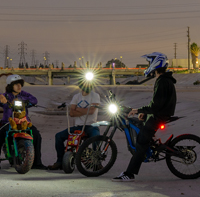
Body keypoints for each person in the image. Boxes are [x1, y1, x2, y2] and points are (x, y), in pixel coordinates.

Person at [113, 52, 176, 181]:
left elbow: (156, 105)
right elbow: (156, 104)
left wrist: (138, 110)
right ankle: (150, 148)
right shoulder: (164, 80)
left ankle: (129, 174)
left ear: (156, 63)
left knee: (141, 142)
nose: (148, 66)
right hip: (160, 113)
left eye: (149, 63)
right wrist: (144, 112)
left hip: (159, 116)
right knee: (140, 126)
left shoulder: (162, 81)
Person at [0, 75, 45, 171]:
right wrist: (0, 96)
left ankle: (37, 162)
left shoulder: (24, 94)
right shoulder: (6, 96)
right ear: (10, 85)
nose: (19, 86)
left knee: (37, 135)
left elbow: (34, 100)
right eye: (16, 84)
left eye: (20, 84)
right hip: (8, 123)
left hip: (24, 122)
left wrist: (23, 101)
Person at [46, 72, 102, 170]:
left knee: (96, 138)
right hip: (78, 126)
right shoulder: (76, 96)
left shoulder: (95, 95)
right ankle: (59, 161)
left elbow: (92, 111)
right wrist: (85, 110)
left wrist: (77, 109)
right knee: (58, 136)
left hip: (91, 125)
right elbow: (72, 113)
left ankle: (96, 162)